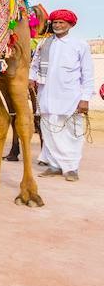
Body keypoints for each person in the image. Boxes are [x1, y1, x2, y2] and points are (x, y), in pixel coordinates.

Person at [31, 9, 93, 182]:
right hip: (47, 96)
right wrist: (30, 78)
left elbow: (87, 74)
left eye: (61, 23)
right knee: (49, 130)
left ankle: (71, 167)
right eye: (55, 22)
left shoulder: (80, 45)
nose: (57, 25)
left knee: (72, 133)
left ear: (70, 25)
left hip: (71, 97)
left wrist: (85, 98)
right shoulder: (43, 44)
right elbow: (34, 65)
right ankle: (54, 166)